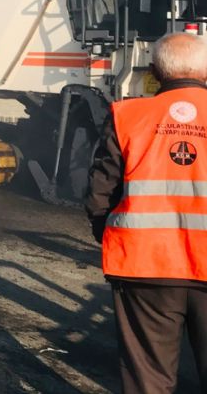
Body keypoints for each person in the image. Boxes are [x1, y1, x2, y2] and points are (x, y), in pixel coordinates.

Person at [86, 32, 207, 393]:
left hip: (144, 266)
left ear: (154, 71)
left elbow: (99, 194)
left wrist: (111, 237)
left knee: (147, 380)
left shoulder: (129, 116)